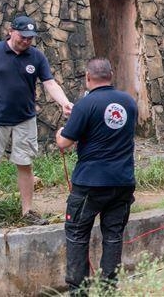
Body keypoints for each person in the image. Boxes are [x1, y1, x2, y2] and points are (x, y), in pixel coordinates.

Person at [0, 15, 73, 227]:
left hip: (25, 119)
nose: (26, 41)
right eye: (23, 36)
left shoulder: (36, 56)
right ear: (11, 31)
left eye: (30, 38)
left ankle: (27, 211)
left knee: (25, 164)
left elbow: (50, 83)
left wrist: (64, 103)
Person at [55, 57, 137, 293]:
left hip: (90, 183)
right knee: (113, 236)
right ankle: (108, 290)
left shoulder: (85, 105)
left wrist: (61, 131)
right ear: (111, 75)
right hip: (122, 182)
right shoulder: (129, 102)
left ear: (87, 77)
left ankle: (78, 291)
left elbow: (64, 142)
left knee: (77, 234)